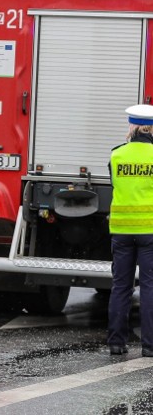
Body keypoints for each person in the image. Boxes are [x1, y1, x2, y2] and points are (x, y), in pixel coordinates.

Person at [107, 104, 153, 356]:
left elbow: (115, 185)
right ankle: (150, 346)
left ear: (132, 126)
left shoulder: (117, 155)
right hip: (150, 232)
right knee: (149, 286)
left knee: (121, 286)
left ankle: (116, 343)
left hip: (122, 231)